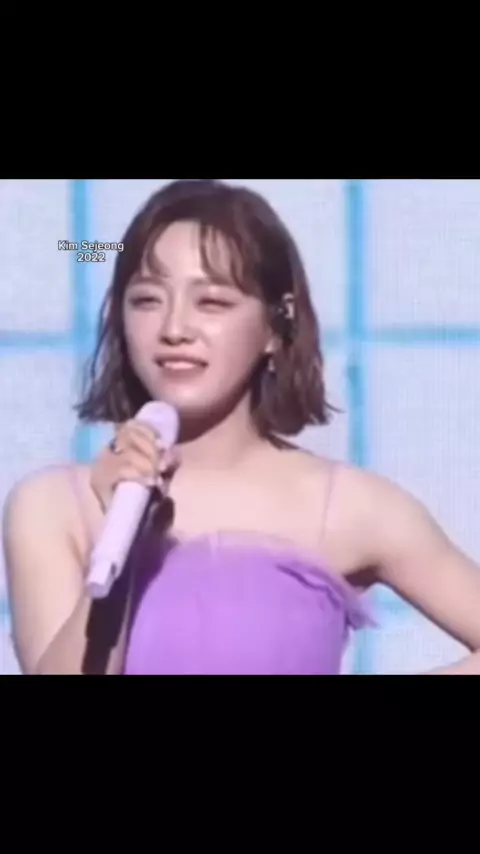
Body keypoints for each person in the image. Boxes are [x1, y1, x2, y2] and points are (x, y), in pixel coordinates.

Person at [3, 178, 480, 675]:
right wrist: (123, 539)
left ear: (275, 326)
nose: (174, 329)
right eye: (146, 300)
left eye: (212, 302)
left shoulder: (349, 506)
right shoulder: (53, 506)